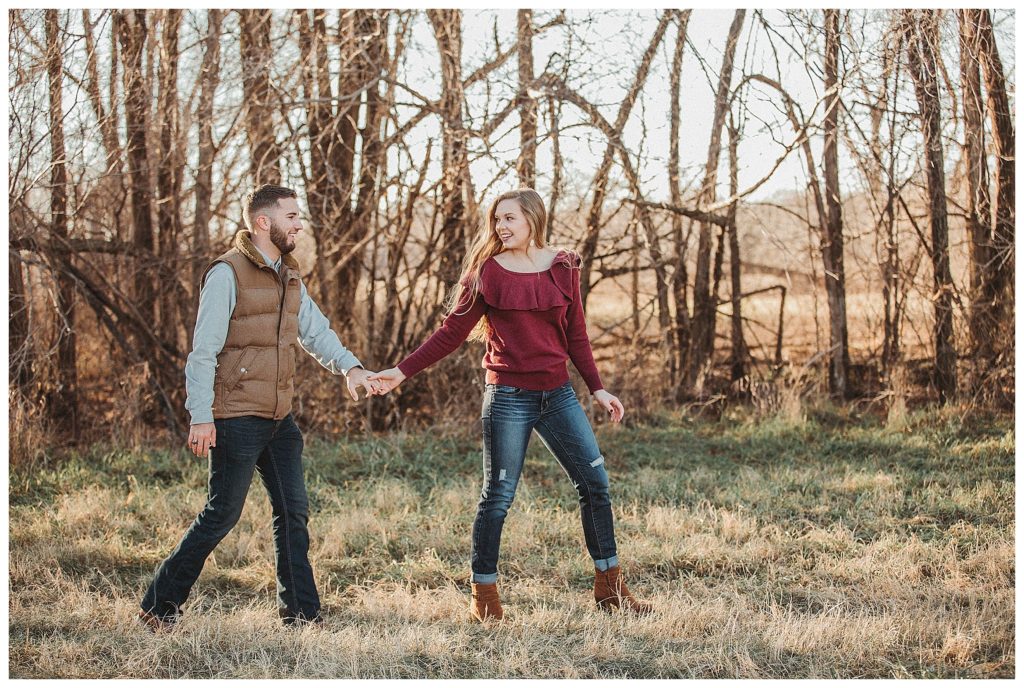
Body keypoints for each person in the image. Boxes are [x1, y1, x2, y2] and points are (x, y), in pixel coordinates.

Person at [368, 188, 652, 621]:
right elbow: (451, 333)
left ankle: (609, 588)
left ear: (533, 220)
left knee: (595, 485)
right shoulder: (487, 273)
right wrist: (401, 371)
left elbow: (576, 333)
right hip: (508, 398)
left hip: (557, 395)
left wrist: (597, 388)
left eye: (510, 218)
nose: (501, 227)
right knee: (497, 496)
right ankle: (484, 599)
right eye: (497, 219)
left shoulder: (564, 265)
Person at [138, 184, 381, 630]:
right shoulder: (226, 274)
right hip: (235, 417)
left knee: (293, 512)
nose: (299, 225)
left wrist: (351, 368)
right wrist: (201, 415)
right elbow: (203, 351)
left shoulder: (289, 275)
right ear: (264, 222)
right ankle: (159, 607)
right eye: (292, 217)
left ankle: (302, 616)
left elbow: (316, 333)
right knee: (221, 515)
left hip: (278, 418)